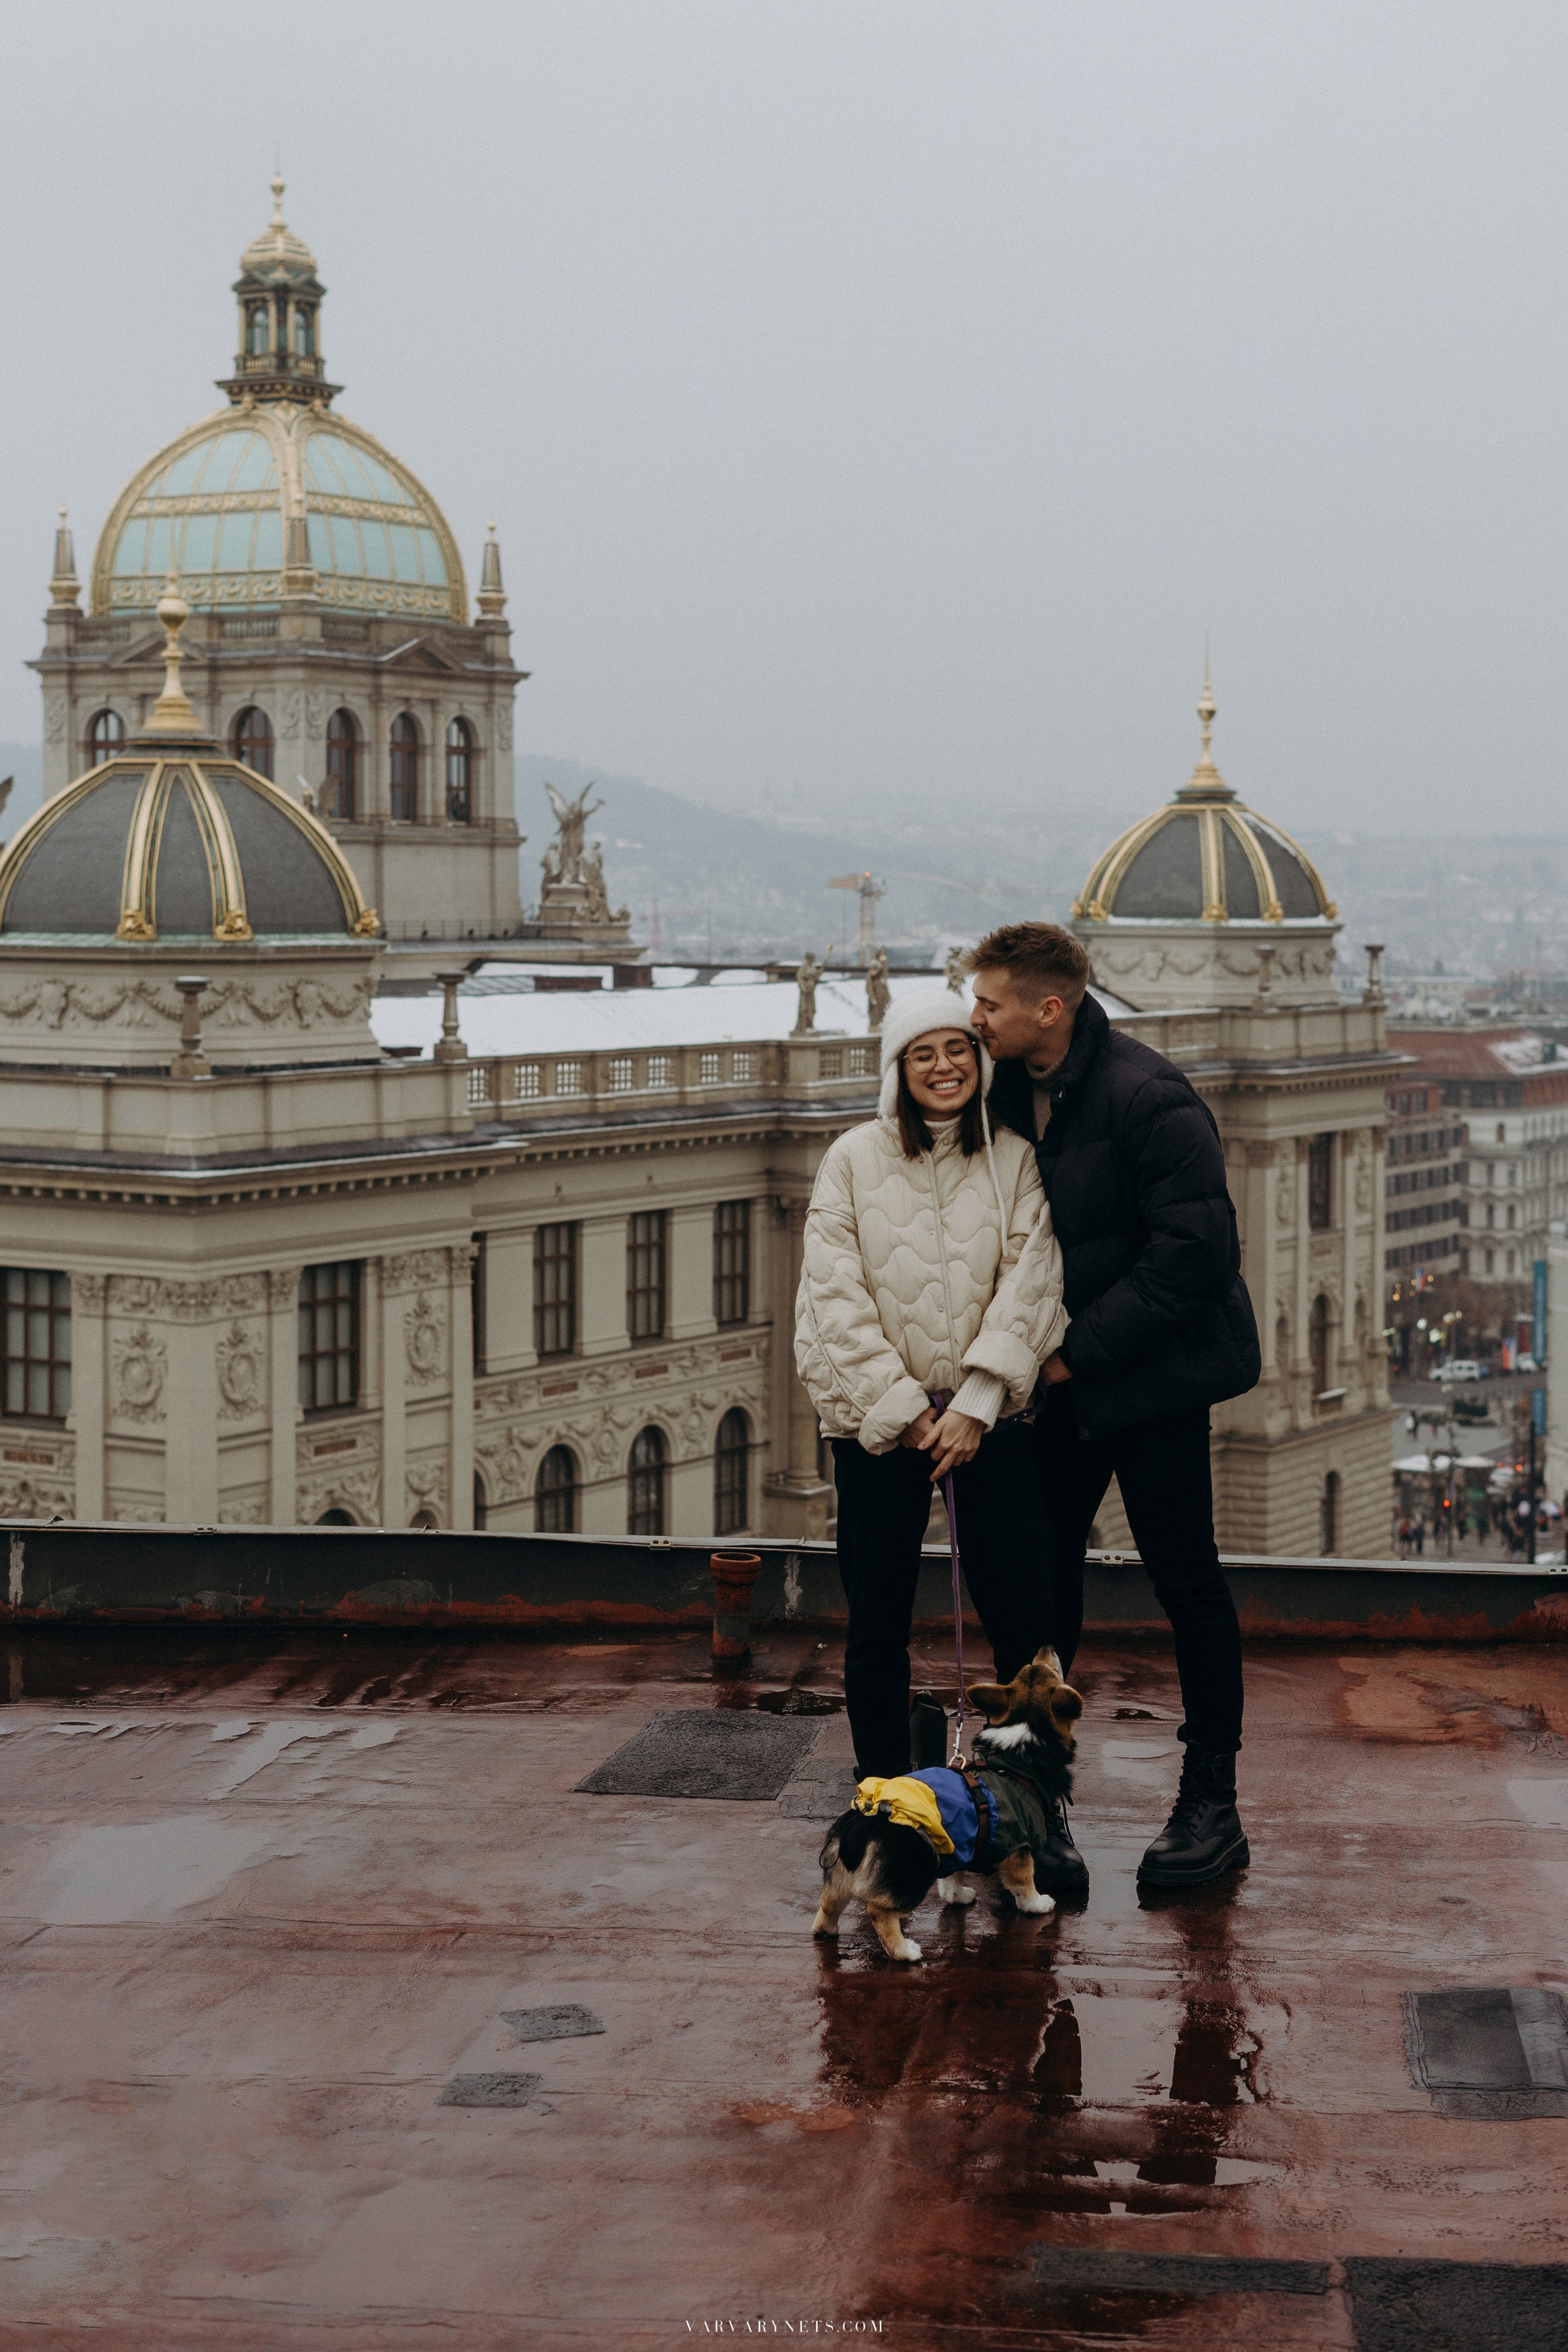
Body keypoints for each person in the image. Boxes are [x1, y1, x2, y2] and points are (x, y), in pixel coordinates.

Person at [967, 923, 1261, 1889]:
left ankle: (1210, 1802)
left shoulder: (1150, 1095)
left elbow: (1194, 1258)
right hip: (1058, 1380)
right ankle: (1035, 1806)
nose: (975, 1020)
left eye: (990, 1004)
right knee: (1037, 1588)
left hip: (1151, 1381)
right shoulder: (997, 1092)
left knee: (1186, 1581)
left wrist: (1065, 1361)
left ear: (1046, 1009)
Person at [794, 990, 1080, 1882]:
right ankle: (879, 1808)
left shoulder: (1015, 1162)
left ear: (980, 1059)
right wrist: (906, 1410)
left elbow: (1034, 1282)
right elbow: (832, 1298)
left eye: (958, 1049)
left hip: (989, 1423)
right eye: (924, 1054)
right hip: (883, 1426)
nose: (945, 1067)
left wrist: (977, 1402)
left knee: (1022, 1622)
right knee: (876, 1620)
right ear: (897, 1068)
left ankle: (1034, 1811)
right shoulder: (850, 1162)